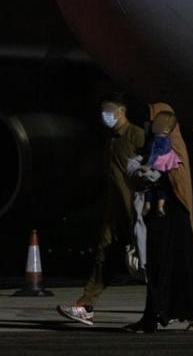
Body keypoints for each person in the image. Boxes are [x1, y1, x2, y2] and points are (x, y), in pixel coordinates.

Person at [57, 93, 146, 326]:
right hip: (114, 210)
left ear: (122, 111)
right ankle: (85, 304)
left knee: (149, 260)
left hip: (134, 210)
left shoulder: (136, 135)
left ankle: (174, 306)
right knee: (103, 255)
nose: (105, 117)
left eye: (109, 112)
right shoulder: (112, 139)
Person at [127, 102, 193, 332]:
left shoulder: (174, 145)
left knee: (176, 266)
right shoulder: (154, 144)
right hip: (159, 217)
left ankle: (174, 314)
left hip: (173, 217)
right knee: (159, 267)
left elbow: (177, 179)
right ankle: (155, 315)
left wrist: (152, 174)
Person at [143, 111, 182, 217]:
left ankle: (148, 204)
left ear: (166, 129)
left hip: (157, 165)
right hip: (163, 167)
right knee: (160, 187)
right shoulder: (165, 139)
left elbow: (154, 153)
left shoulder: (159, 140)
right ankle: (159, 206)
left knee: (148, 185)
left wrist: (148, 164)